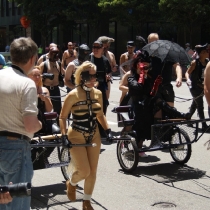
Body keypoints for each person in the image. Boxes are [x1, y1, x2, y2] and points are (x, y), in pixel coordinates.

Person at [59, 61, 112, 210]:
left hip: (94, 133)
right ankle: (72, 182)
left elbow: (100, 114)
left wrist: (107, 130)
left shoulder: (98, 93)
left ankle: (86, 201)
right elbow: (62, 117)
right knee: (83, 170)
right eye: (91, 76)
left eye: (96, 76)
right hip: (76, 134)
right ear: (82, 77)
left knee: (92, 171)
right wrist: (64, 136)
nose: (94, 79)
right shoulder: (73, 95)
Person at [0, 37, 42, 209]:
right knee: (18, 204)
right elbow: (31, 126)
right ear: (32, 58)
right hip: (15, 146)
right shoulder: (26, 84)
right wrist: (39, 124)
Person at [127, 51, 190, 157]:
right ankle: (137, 145)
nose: (145, 69)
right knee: (143, 117)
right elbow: (138, 88)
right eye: (143, 67)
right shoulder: (131, 78)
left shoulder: (147, 78)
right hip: (137, 106)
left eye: (147, 67)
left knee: (161, 103)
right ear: (137, 65)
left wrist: (155, 84)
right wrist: (142, 75)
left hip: (148, 103)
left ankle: (180, 115)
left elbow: (151, 93)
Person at [147, 33, 182, 122]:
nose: (154, 44)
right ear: (148, 42)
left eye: (156, 41)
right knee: (157, 114)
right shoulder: (146, 55)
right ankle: (157, 134)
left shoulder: (167, 53)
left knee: (170, 112)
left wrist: (179, 77)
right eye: (151, 42)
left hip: (166, 86)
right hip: (154, 87)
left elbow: (177, 65)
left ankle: (169, 134)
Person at [185, 43, 209, 131]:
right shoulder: (195, 62)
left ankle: (187, 118)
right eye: (205, 51)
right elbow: (187, 73)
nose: (207, 52)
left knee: (195, 104)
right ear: (201, 53)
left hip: (202, 86)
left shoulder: (207, 62)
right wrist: (188, 80)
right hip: (195, 87)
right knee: (200, 105)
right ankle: (203, 125)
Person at [39, 46, 65, 116]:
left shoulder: (59, 64)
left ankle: (58, 124)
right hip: (46, 89)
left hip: (56, 89)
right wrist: (44, 76)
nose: (55, 55)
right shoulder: (44, 64)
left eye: (57, 53)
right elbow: (37, 76)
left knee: (58, 110)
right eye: (54, 53)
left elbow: (63, 73)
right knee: (46, 109)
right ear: (50, 53)